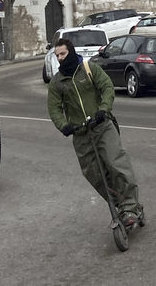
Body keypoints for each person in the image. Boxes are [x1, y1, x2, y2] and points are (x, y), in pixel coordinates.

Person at [47, 38, 143, 227]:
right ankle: (120, 205)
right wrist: (64, 125)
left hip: (102, 126)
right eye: (57, 55)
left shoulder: (89, 69)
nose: (59, 58)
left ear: (71, 52)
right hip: (81, 134)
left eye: (63, 54)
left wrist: (103, 109)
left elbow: (107, 87)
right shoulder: (57, 82)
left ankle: (131, 207)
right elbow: (54, 108)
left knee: (117, 164)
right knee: (95, 175)